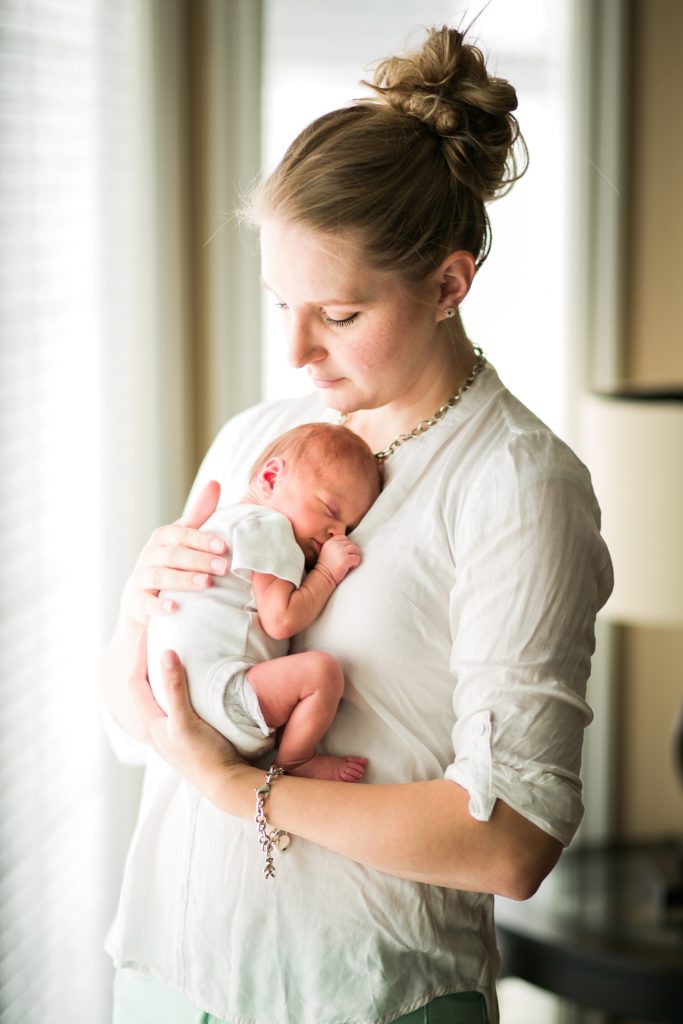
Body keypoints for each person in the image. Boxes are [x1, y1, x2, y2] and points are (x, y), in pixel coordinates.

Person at [101, 24, 614, 1024]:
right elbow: (135, 718)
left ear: (447, 284)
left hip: (366, 997)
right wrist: (139, 614)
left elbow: (511, 840)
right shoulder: (262, 439)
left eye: (334, 315)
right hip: (166, 973)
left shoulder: (516, 486)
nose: (295, 350)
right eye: (279, 303)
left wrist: (241, 790)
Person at [147, 421, 381, 783]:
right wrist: (327, 573)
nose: (337, 533)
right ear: (271, 479)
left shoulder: (223, 523)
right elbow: (281, 619)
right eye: (330, 509)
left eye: (348, 528)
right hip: (222, 696)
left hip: (172, 698)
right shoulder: (270, 527)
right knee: (323, 673)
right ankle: (296, 760)